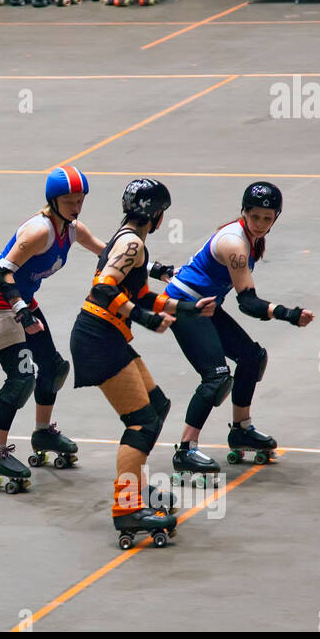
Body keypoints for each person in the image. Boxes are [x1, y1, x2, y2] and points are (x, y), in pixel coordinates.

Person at [69, 179, 216, 549]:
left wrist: (186, 308)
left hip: (109, 335)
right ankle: (127, 508)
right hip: (98, 339)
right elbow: (104, 288)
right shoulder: (132, 243)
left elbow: (143, 293)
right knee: (141, 422)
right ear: (159, 215)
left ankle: (133, 484)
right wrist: (147, 319)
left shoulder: (130, 238)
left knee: (158, 406)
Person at [164, 183, 314, 482]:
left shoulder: (252, 239)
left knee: (251, 357)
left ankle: (241, 430)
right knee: (217, 376)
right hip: (183, 305)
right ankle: (186, 448)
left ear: (276, 218)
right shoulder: (235, 243)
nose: (259, 225)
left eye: (267, 219)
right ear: (243, 212)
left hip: (205, 304)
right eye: (255, 216)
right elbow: (247, 303)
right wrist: (289, 314)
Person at [0, 167, 107, 493]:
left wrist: (154, 268)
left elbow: (109, 253)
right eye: (69, 200)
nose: (76, 206)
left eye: (80, 199)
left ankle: (42, 432)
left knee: (53, 368)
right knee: (21, 379)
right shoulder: (39, 232)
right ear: (53, 200)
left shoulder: (72, 230)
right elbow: (2, 271)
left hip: (23, 302)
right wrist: (22, 311)